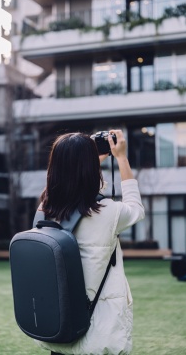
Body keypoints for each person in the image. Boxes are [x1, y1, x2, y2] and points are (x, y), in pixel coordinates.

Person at [35, 130, 145, 355]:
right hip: (97, 333)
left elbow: (69, 188)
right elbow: (136, 209)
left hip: (59, 327)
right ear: (89, 168)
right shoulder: (108, 212)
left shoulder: (44, 210)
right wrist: (121, 157)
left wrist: (83, 157)